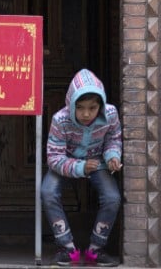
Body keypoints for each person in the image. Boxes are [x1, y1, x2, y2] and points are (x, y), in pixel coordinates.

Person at [42, 69, 122, 267]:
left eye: (92, 108)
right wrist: (80, 167)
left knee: (112, 197)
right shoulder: (60, 120)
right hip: (66, 162)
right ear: (71, 105)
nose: (86, 114)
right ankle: (67, 248)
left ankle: (96, 249)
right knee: (48, 192)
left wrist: (113, 156)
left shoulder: (110, 115)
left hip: (97, 162)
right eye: (80, 108)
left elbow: (113, 139)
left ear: (100, 106)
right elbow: (54, 158)